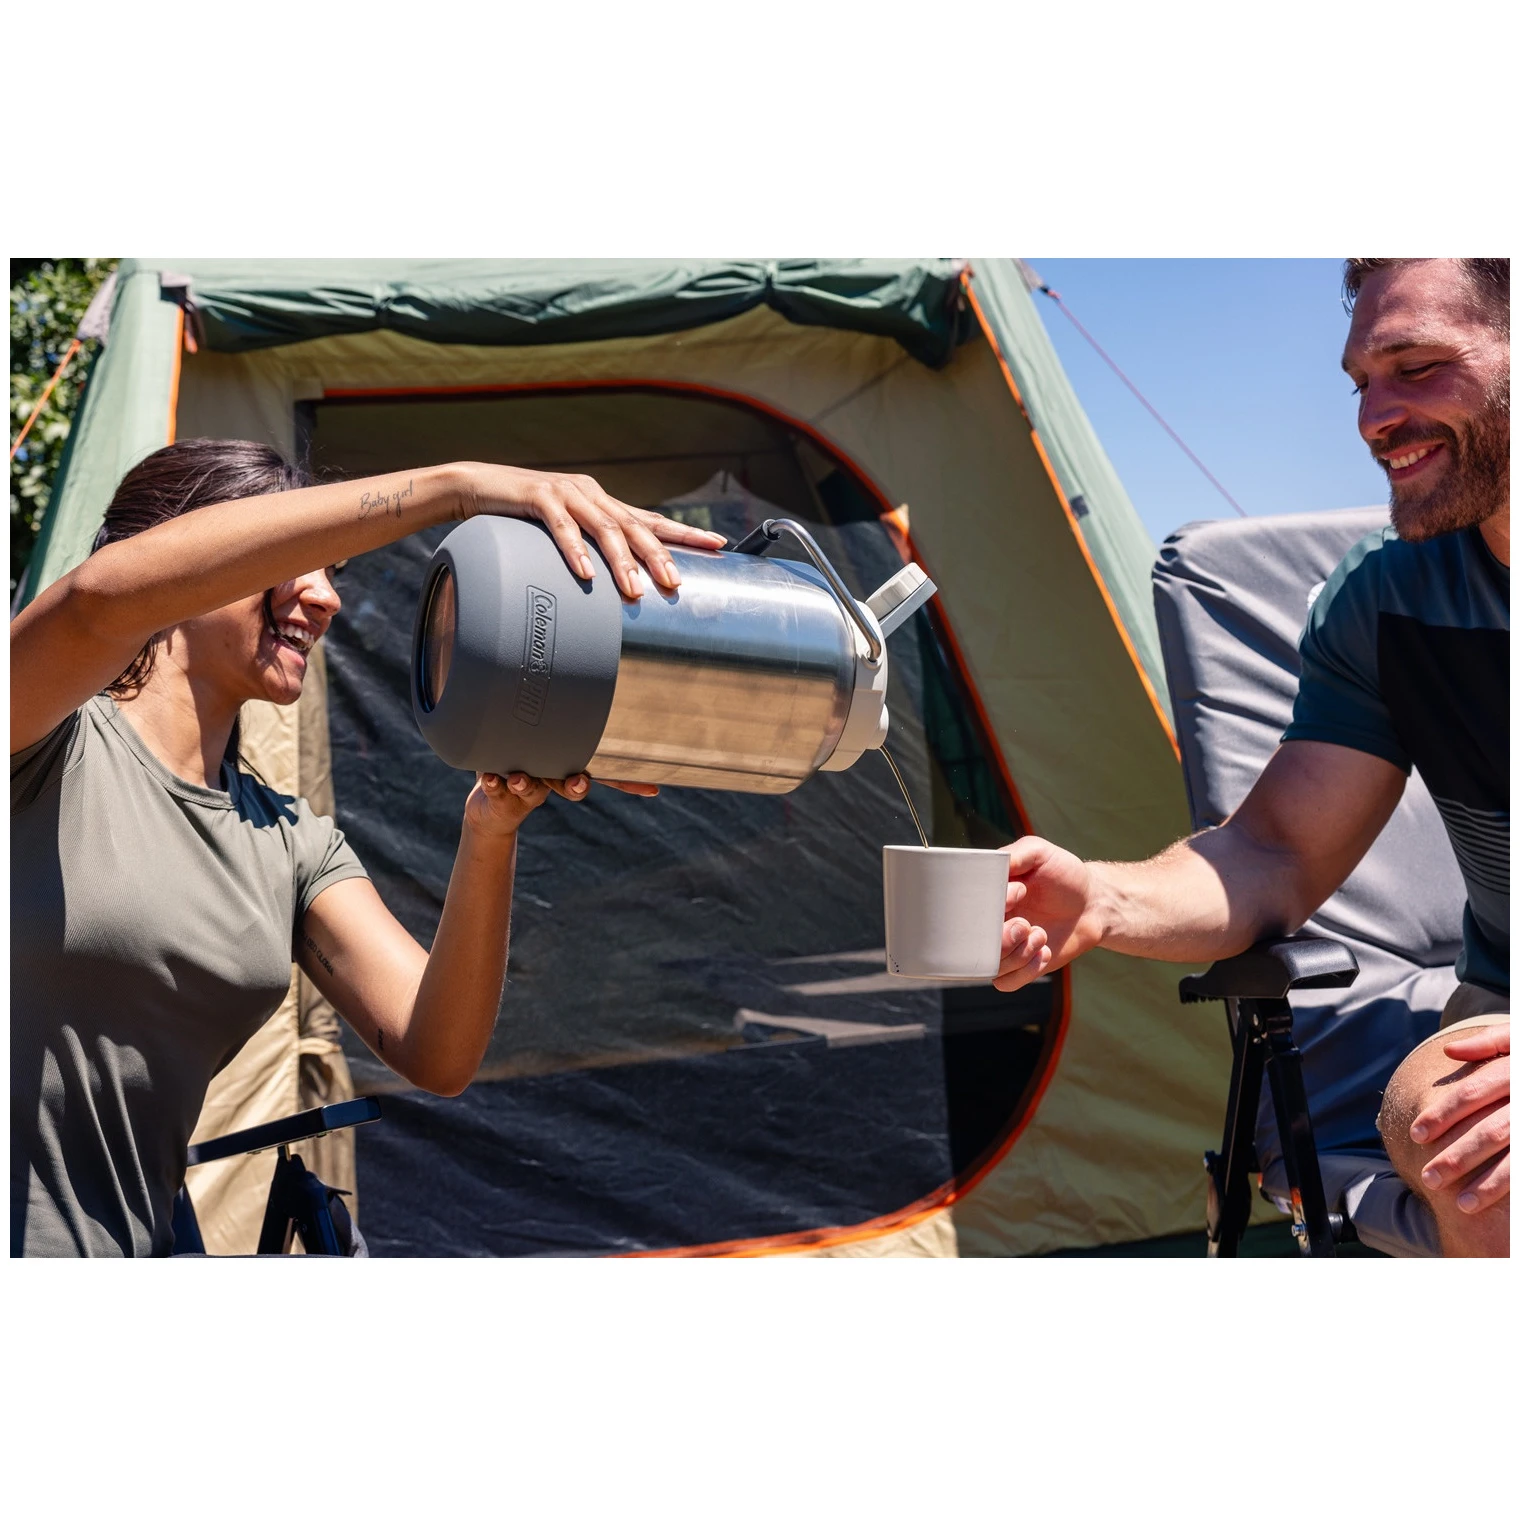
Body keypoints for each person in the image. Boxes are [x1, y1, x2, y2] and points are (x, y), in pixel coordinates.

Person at [10, 441, 727, 1257]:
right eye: (292, 561)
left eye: (331, 570)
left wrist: (491, 830)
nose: (326, 598)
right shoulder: (38, 741)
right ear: (189, 557)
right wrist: (458, 485)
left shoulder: (285, 839)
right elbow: (96, 602)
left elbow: (436, 1050)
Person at [992, 257, 1509, 1255]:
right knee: (1478, 1155)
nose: (1374, 418)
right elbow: (1276, 850)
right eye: (1360, 382)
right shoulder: (1387, 600)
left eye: (1415, 366)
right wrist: (1101, 900)